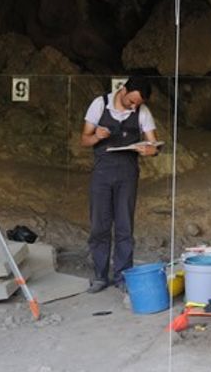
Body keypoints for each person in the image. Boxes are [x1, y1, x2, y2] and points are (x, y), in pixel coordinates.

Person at [81, 76, 160, 293]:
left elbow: (154, 144)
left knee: (125, 226)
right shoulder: (100, 105)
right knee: (100, 225)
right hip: (102, 173)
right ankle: (100, 275)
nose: (134, 106)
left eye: (138, 103)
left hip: (128, 174)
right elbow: (84, 139)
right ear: (123, 90)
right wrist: (96, 136)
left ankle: (123, 275)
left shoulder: (142, 112)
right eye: (131, 101)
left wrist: (151, 150)